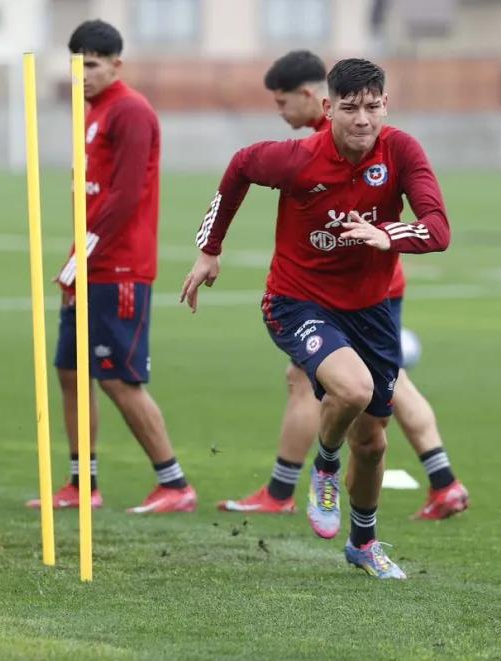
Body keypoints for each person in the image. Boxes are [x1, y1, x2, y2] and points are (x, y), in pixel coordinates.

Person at [182, 58, 452, 578]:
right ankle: (325, 464)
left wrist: (387, 234)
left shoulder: (401, 151)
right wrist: (209, 249)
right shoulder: (298, 159)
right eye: (349, 108)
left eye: (372, 107)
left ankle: (363, 543)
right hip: (296, 302)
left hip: (370, 311)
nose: (362, 119)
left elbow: (438, 228)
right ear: (328, 109)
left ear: (385, 105)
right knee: (352, 389)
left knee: (372, 443)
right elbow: (240, 166)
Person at [26, 19, 197, 514]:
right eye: (76, 65)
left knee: (119, 378)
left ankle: (174, 484)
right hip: (90, 262)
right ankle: (82, 483)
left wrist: (80, 258)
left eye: (93, 65)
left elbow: (125, 197)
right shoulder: (94, 111)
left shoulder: (130, 111)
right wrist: (76, 259)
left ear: (116, 64)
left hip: (119, 267)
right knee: (70, 371)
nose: (82, 74)